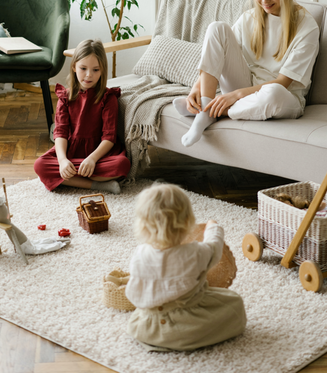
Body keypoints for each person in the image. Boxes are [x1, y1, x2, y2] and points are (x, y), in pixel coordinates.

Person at [173, 0, 320, 147]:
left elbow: (283, 83)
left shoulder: (307, 27)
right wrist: (196, 88)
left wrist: (235, 96)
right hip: (246, 83)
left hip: (283, 96)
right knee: (217, 28)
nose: (265, 1)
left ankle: (210, 111)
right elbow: (218, 54)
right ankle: (206, 106)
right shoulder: (249, 17)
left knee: (273, 92)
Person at [125, 183, 246, 351]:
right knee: (234, 304)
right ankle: (185, 339)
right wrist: (213, 227)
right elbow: (215, 248)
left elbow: (134, 292)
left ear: (143, 225)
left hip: (148, 327)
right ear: (188, 223)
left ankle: (159, 339)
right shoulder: (194, 253)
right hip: (186, 323)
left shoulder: (139, 254)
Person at [34, 39, 130, 193]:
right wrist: (63, 161)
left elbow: (109, 137)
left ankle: (69, 179)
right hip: (71, 153)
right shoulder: (65, 97)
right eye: (83, 68)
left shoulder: (108, 98)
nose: (88, 75)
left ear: (102, 70)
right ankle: (98, 184)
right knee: (40, 165)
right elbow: (60, 132)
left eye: (96, 70)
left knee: (122, 164)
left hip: (99, 155)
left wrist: (92, 159)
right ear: (74, 67)